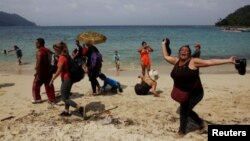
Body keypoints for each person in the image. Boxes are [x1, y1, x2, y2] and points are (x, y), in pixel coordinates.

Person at [161, 39, 236, 137]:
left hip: (195, 93)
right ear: (179, 53)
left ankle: (181, 132)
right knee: (185, 110)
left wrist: (228, 60)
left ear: (189, 54)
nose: (184, 52)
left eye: (186, 51)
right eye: (182, 50)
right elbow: (166, 56)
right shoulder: (176, 61)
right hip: (184, 93)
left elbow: (210, 62)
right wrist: (163, 44)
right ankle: (201, 124)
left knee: (183, 111)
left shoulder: (193, 62)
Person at [49, 42, 83, 117]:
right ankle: (66, 111)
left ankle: (79, 108)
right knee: (66, 96)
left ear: (59, 49)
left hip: (66, 79)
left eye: (55, 49)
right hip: (69, 78)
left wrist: (52, 79)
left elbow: (59, 70)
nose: (54, 51)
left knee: (64, 98)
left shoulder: (62, 57)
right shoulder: (66, 55)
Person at [32, 38, 55, 104]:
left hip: (41, 72)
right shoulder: (48, 50)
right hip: (49, 71)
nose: (35, 44)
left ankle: (37, 99)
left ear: (39, 44)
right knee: (49, 85)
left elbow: (38, 63)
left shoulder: (39, 52)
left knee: (36, 85)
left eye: (36, 43)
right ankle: (52, 99)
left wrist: (37, 72)